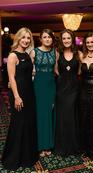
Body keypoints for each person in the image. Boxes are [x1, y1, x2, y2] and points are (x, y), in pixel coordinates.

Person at [1, 27, 38, 170]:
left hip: (29, 93)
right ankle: (14, 157)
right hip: (18, 93)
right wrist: (16, 96)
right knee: (18, 124)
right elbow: (11, 78)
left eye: (28, 38)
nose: (26, 40)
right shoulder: (12, 56)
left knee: (28, 123)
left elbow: (29, 74)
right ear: (18, 38)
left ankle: (27, 155)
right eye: (23, 37)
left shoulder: (27, 55)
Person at [30, 29, 57, 157]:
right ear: (40, 39)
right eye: (45, 37)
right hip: (38, 86)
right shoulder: (34, 52)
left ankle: (48, 144)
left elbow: (57, 71)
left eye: (49, 37)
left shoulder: (55, 53)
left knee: (49, 114)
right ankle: (41, 146)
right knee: (40, 115)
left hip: (51, 85)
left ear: (52, 39)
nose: (47, 39)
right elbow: (27, 71)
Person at [54, 29, 79, 156]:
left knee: (72, 117)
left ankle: (73, 146)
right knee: (62, 117)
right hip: (61, 89)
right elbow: (55, 70)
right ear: (61, 40)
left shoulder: (78, 53)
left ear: (72, 39)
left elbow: (81, 70)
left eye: (68, 38)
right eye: (64, 38)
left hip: (74, 89)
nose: (66, 40)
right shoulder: (58, 53)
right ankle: (62, 146)